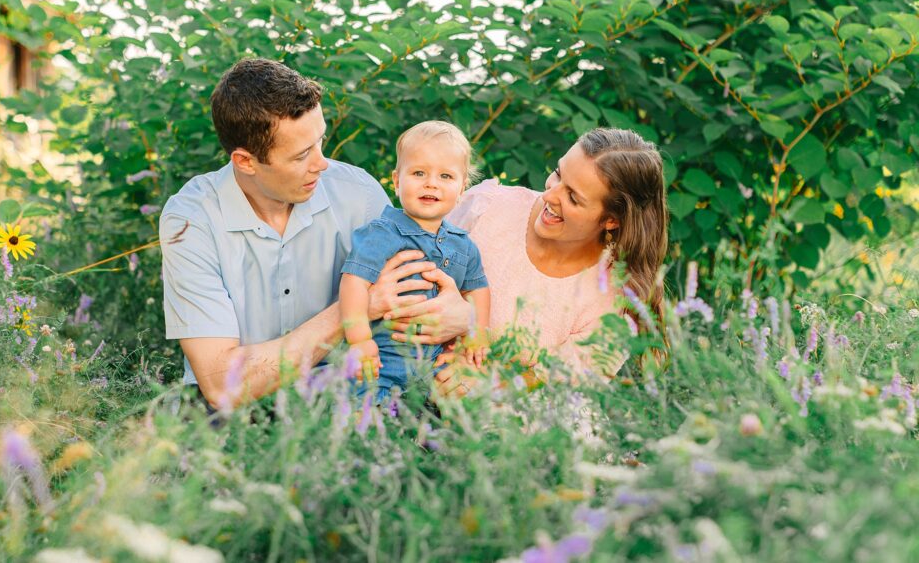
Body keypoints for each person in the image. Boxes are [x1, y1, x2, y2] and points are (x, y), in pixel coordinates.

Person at [158, 59, 473, 409]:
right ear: (246, 161)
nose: (322, 163)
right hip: (237, 412)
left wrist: (462, 321)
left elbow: (420, 290)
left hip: (348, 393)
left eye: (320, 141)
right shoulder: (191, 219)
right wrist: (355, 309)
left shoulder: (359, 194)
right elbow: (221, 385)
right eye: (302, 154)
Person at [383, 128, 669, 396]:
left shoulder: (613, 303)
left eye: (572, 197)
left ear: (610, 220)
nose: (549, 195)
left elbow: (558, 389)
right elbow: (408, 263)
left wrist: (486, 382)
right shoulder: (488, 206)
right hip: (409, 376)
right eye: (558, 174)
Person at [339, 121, 491, 401]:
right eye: (419, 172)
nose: (431, 182)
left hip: (432, 369)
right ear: (397, 181)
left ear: (462, 189)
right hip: (382, 363)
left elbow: (477, 288)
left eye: (446, 176)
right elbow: (354, 283)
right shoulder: (382, 232)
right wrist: (359, 339)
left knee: (440, 421)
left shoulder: (463, 244)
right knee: (366, 419)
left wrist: (477, 331)